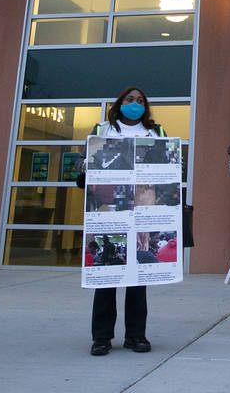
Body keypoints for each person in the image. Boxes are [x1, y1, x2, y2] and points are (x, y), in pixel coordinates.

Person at [77, 87, 162, 356]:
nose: (134, 104)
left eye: (139, 101)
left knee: (138, 276)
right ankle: (101, 337)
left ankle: (136, 335)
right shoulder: (102, 130)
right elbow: (82, 169)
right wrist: (86, 168)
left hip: (141, 211)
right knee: (106, 275)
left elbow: (167, 170)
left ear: (145, 107)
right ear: (120, 103)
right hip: (109, 212)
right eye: (129, 100)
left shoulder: (155, 132)